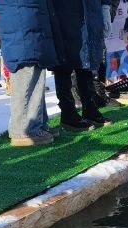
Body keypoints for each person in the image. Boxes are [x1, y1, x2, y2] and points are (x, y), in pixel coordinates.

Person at [0, 0, 81, 146]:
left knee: (36, 74)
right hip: (22, 21)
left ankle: (38, 124)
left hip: (31, 19)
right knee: (27, 74)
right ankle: (23, 130)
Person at [53, 0, 112, 131]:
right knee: (65, 62)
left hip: (89, 10)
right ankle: (68, 112)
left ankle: (89, 107)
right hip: (64, 11)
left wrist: (105, 7)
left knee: (86, 60)